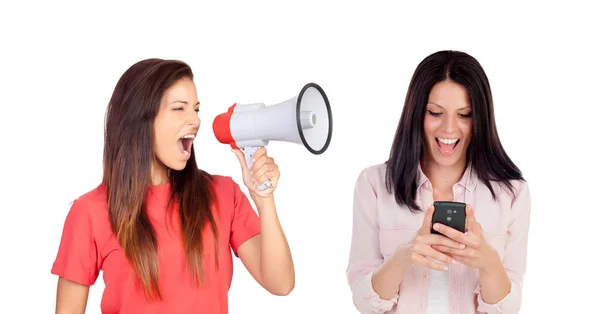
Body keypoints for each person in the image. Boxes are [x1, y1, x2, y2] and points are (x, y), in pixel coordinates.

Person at [51, 58, 295, 314]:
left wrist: (263, 199)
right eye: (179, 109)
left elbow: (281, 283)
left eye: (196, 109)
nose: (196, 121)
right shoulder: (90, 212)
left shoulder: (223, 194)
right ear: (139, 119)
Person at [346, 50, 531, 314]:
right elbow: (364, 301)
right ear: (416, 114)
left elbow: (509, 308)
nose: (448, 129)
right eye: (435, 112)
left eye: (464, 115)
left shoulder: (511, 194)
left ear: (480, 119)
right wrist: (403, 257)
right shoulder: (374, 185)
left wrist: (488, 263)